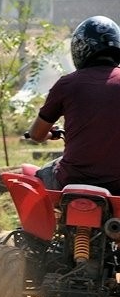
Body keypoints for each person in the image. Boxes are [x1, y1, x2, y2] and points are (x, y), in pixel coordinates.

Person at [26, 15, 120, 194]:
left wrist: (48, 135)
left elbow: (36, 134)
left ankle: (39, 223)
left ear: (80, 48)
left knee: (36, 177)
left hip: (71, 179)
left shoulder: (66, 84)